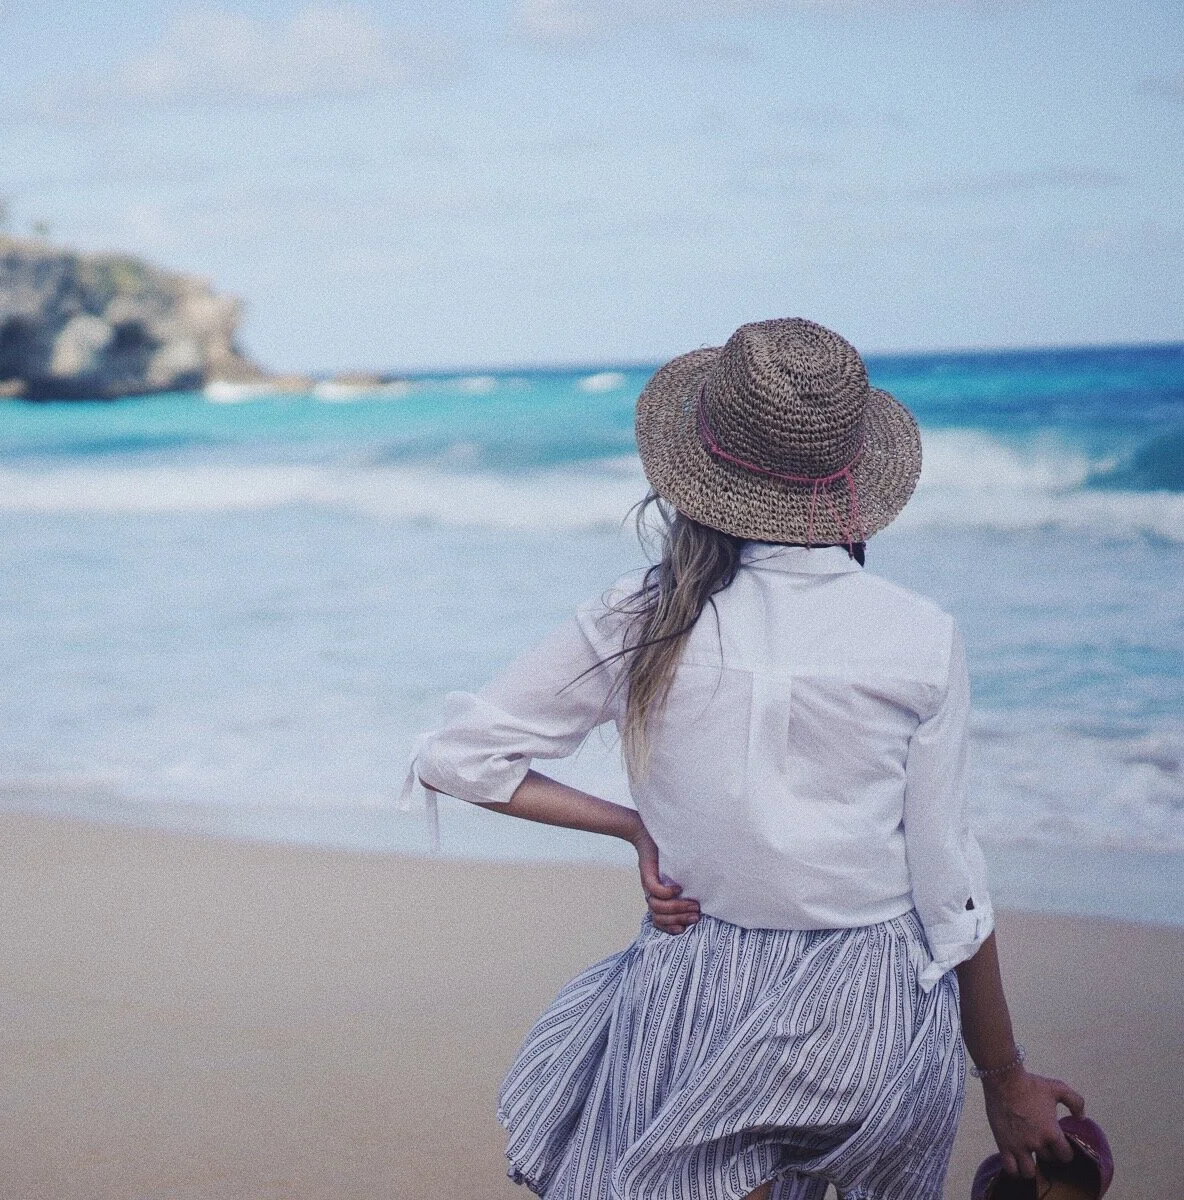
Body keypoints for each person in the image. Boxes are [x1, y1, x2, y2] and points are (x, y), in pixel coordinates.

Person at [402, 319, 1086, 1200]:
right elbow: (950, 883)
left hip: (700, 992)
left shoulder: (640, 615)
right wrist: (1005, 1081)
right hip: (875, 1013)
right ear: (851, 476)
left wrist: (632, 827)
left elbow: (458, 758)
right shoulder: (920, 634)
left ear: (696, 468)